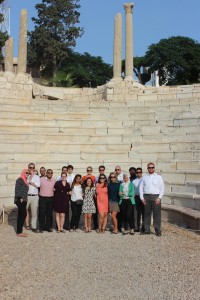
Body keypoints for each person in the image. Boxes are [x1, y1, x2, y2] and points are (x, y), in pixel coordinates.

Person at [139, 162, 164, 237]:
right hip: (146, 196)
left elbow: (162, 187)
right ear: (147, 169)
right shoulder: (144, 177)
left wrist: (159, 198)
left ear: (154, 168)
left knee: (157, 214)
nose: (151, 169)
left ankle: (157, 230)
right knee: (147, 214)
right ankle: (147, 229)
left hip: (156, 196)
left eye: (152, 167)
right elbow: (141, 187)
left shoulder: (159, 177)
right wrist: (142, 197)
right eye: (149, 168)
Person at [25, 163, 40, 233]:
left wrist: (32, 183)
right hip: (27, 195)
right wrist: (30, 179)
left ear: (34, 168)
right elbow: (26, 183)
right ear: (28, 168)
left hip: (34, 196)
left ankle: (34, 226)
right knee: (24, 210)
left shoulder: (37, 177)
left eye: (33, 167)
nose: (31, 169)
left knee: (34, 213)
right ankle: (26, 225)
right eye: (30, 167)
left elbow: (38, 185)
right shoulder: (26, 175)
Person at [14, 169, 30, 237]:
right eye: (26, 172)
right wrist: (20, 197)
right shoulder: (19, 180)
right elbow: (17, 189)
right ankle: (19, 231)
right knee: (23, 214)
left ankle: (19, 232)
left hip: (24, 200)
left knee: (21, 215)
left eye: (28, 173)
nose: (27, 174)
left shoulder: (25, 181)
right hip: (20, 199)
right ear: (23, 173)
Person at [133, 168, 145, 232]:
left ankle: (144, 226)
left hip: (143, 197)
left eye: (140, 172)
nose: (138, 173)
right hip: (136, 197)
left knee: (144, 212)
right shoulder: (134, 181)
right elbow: (132, 190)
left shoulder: (144, 179)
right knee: (136, 213)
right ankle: (136, 227)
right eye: (137, 172)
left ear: (142, 172)